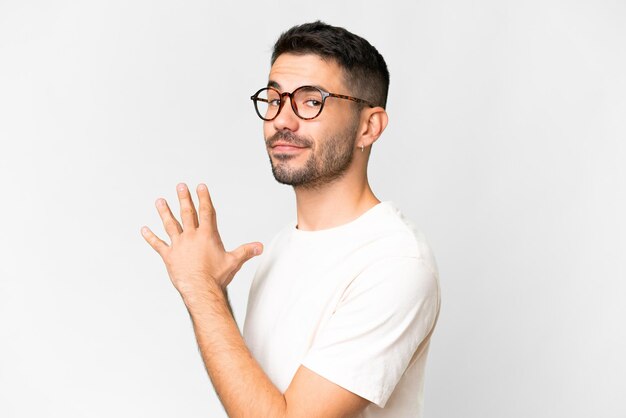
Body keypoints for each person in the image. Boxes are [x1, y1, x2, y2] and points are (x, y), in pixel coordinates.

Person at [142, 21, 440, 418]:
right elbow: (253, 398)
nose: (283, 119)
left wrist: (200, 289)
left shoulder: (395, 263)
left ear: (368, 127)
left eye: (311, 100)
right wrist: (213, 287)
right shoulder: (281, 247)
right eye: (274, 99)